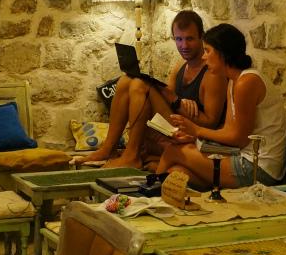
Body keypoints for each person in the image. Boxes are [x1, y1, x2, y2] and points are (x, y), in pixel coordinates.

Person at [84, 10, 226, 169]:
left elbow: (211, 124)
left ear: (201, 37)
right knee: (126, 80)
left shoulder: (211, 73)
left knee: (140, 85)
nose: (184, 46)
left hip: (191, 135)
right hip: (173, 124)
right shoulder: (180, 65)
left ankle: (132, 156)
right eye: (179, 39)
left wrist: (178, 102)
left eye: (190, 39)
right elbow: (168, 100)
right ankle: (108, 149)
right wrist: (179, 102)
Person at [158, 22, 286, 187]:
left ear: (222, 53)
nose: (203, 57)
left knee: (174, 151)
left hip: (259, 167)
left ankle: (149, 194)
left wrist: (197, 130)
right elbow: (228, 130)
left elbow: (239, 139)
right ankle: (158, 193)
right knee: (176, 172)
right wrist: (195, 137)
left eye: (207, 51)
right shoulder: (233, 81)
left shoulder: (247, 82)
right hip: (240, 155)